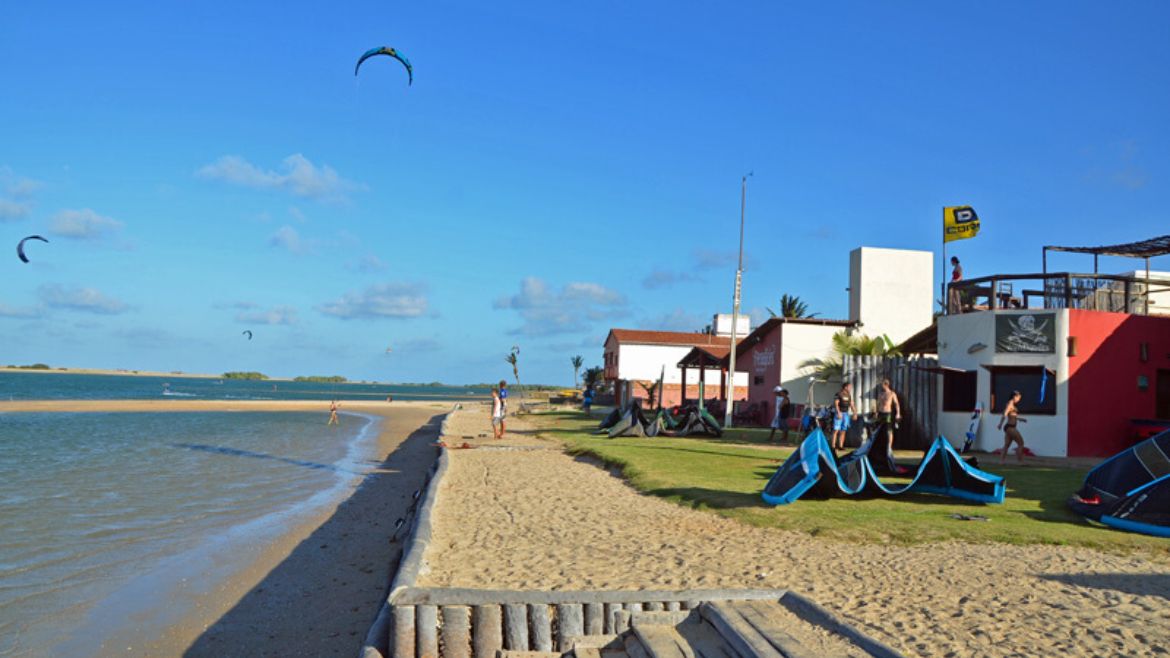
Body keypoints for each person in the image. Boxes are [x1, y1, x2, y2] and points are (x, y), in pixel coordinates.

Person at [997, 390, 1027, 464]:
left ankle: (1001, 461)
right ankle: (1021, 461)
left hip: (1009, 427)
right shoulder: (1010, 404)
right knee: (1021, 443)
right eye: (1019, 398)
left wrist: (1020, 419)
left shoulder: (1012, 404)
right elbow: (1005, 414)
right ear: (1014, 397)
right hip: (1010, 427)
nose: (1019, 400)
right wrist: (1000, 424)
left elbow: (1012, 416)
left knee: (1006, 445)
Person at [875, 378, 901, 453]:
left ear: (886, 385)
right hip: (880, 413)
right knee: (880, 429)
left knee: (889, 430)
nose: (881, 386)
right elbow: (878, 403)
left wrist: (898, 413)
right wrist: (876, 412)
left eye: (882, 385)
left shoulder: (892, 394)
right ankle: (881, 446)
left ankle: (889, 446)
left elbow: (896, 404)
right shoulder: (881, 394)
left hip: (888, 413)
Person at [831, 383, 854, 450]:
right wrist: (838, 413)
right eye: (849, 387)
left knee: (843, 430)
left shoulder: (849, 395)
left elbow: (851, 404)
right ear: (845, 387)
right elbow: (836, 404)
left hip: (846, 414)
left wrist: (854, 412)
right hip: (839, 413)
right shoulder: (838, 394)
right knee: (836, 430)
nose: (850, 388)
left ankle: (841, 446)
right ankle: (833, 446)